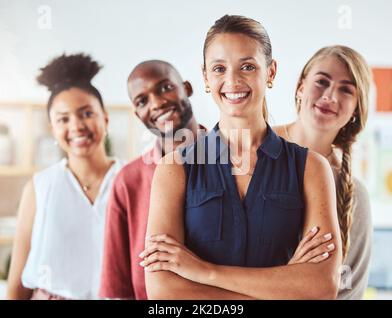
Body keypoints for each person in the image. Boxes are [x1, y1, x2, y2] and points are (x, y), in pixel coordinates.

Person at [141, 14, 342, 300]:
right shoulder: (175, 169)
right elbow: (164, 292)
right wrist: (284, 287)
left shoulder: (311, 169)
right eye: (219, 68)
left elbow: (321, 287)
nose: (232, 81)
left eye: (247, 66)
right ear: (206, 77)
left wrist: (203, 271)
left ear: (270, 72)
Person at [7, 53, 122, 300]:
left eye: (86, 113)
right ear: (53, 128)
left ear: (105, 118)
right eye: (63, 119)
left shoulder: (130, 179)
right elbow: (16, 285)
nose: (76, 126)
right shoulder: (40, 187)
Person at [99, 60, 206, 299]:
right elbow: (118, 287)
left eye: (166, 87)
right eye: (142, 101)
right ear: (138, 115)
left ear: (187, 88)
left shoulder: (232, 160)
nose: (157, 103)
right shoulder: (128, 181)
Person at [272, 45, 372, 299]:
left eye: (346, 89)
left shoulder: (354, 196)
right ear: (300, 87)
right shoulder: (252, 148)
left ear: (356, 110)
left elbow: (348, 292)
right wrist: (291, 277)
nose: (330, 96)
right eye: (322, 81)